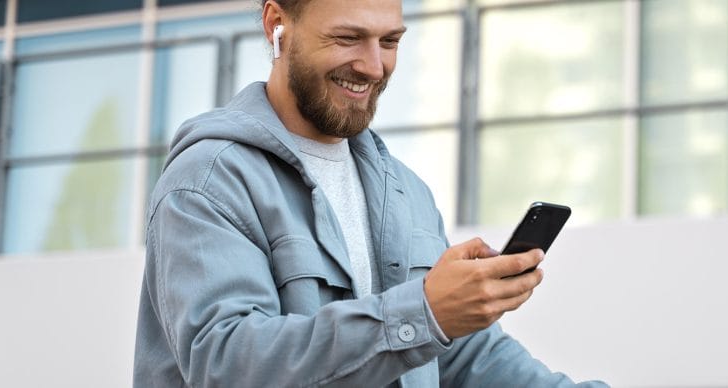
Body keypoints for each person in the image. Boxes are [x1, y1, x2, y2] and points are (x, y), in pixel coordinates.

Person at [133, 0, 606, 386]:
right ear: (277, 24)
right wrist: (423, 312)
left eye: (390, 41)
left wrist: (444, 315)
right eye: (347, 38)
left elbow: (464, 360)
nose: (374, 66)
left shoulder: (406, 190)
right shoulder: (209, 180)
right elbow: (227, 365)